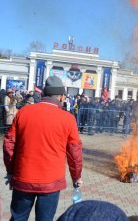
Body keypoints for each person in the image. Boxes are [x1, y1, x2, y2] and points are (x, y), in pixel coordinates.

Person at [3, 76, 83, 220]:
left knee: (18, 218)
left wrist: (10, 171)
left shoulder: (23, 112)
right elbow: (74, 153)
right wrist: (76, 177)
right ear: (61, 96)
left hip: (23, 178)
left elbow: (9, 144)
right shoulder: (68, 119)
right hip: (51, 182)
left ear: (44, 94)